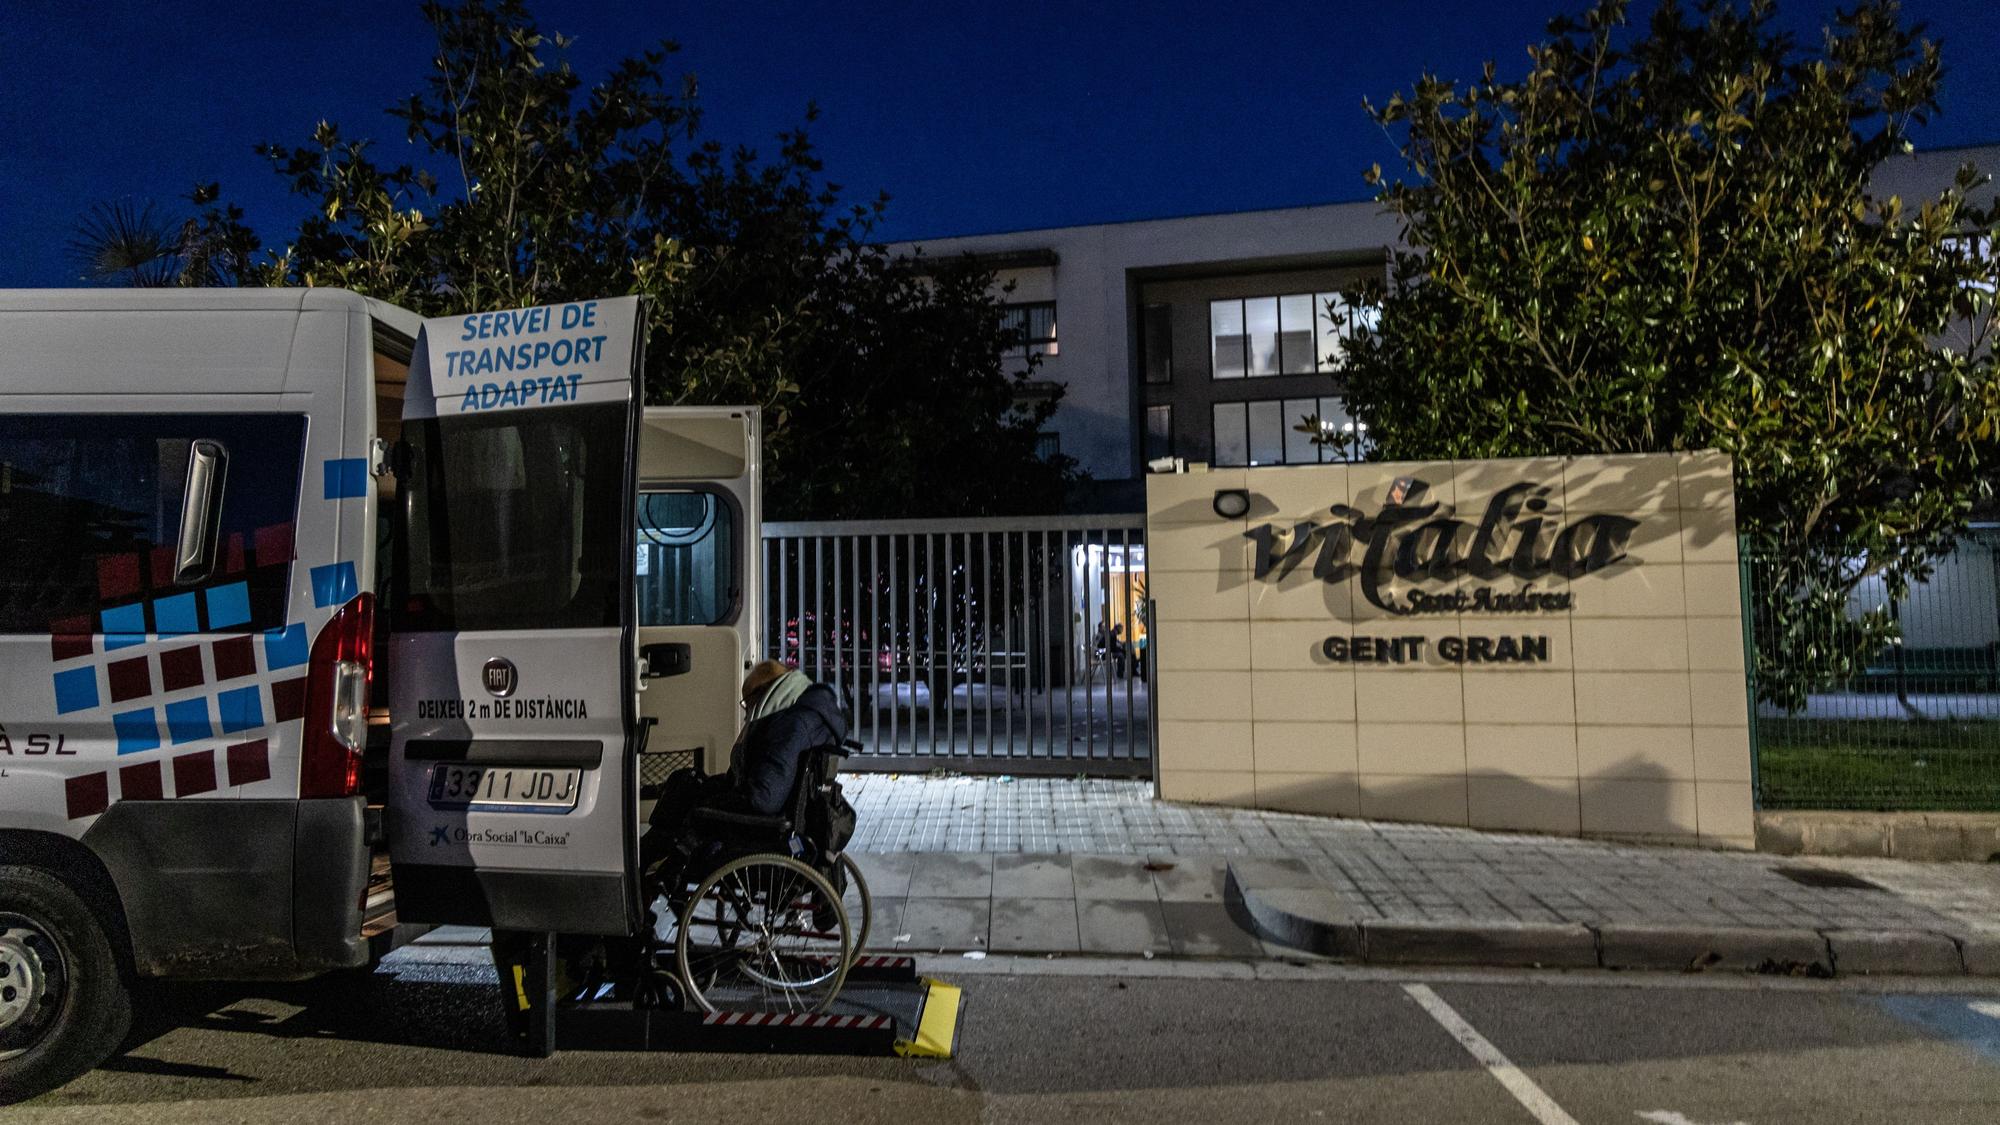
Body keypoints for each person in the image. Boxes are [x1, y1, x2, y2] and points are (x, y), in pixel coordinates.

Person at [640, 659, 848, 874]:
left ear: (762, 694)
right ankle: (649, 859)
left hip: (761, 823)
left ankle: (648, 865)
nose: (747, 711)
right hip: (773, 809)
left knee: (687, 798)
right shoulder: (805, 712)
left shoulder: (792, 726)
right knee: (685, 781)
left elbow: (765, 798)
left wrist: (717, 800)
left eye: (747, 703)